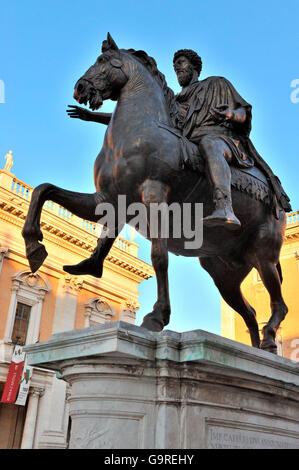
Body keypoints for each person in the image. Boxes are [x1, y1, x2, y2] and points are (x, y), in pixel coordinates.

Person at [172, 49, 291, 228]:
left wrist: (230, 114)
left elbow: (243, 111)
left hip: (221, 139)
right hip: (188, 142)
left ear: (194, 67)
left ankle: (224, 206)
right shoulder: (174, 101)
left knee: (209, 144)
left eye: (181, 62)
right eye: (175, 65)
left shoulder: (216, 83)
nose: (176, 67)